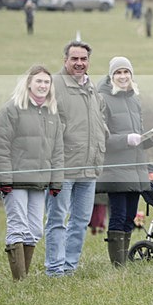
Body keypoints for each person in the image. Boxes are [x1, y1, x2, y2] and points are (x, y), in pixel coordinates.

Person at [0, 65, 64, 280]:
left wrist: (56, 180)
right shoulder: (11, 110)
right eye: (39, 81)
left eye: (47, 82)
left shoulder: (52, 113)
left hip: (40, 182)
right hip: (14, 182)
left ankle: (23, 274)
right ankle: (19, 280)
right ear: (29, 83)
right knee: (18, 227)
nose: (43, 85)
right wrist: (5, 179)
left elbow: (57, 150)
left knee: (35, 230)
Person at [44, 38, 107, 276]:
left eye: (83, 59)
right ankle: (54, 269)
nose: (79, 63)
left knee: (80, 221)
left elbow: (99, 121)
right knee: (58, 219)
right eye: (74, 59)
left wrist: (102, 139)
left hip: (89, 167)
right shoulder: (54, 85)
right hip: (64, 168)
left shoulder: (91, 87)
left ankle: (69, 267)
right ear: (65, 60)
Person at [96, 57, 153, 266]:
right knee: (119, 214)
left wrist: (150, 140)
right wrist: (124, 139)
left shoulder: (134, 99)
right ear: (111, 75)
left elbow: (137, 141)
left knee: (131, 215)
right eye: (118, 73)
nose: (123, 76)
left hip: (135, 167)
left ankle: (123, 258)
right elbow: (100, 137)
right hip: (115, 168)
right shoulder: (102, 99)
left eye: (126, 72)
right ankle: (118, 264)